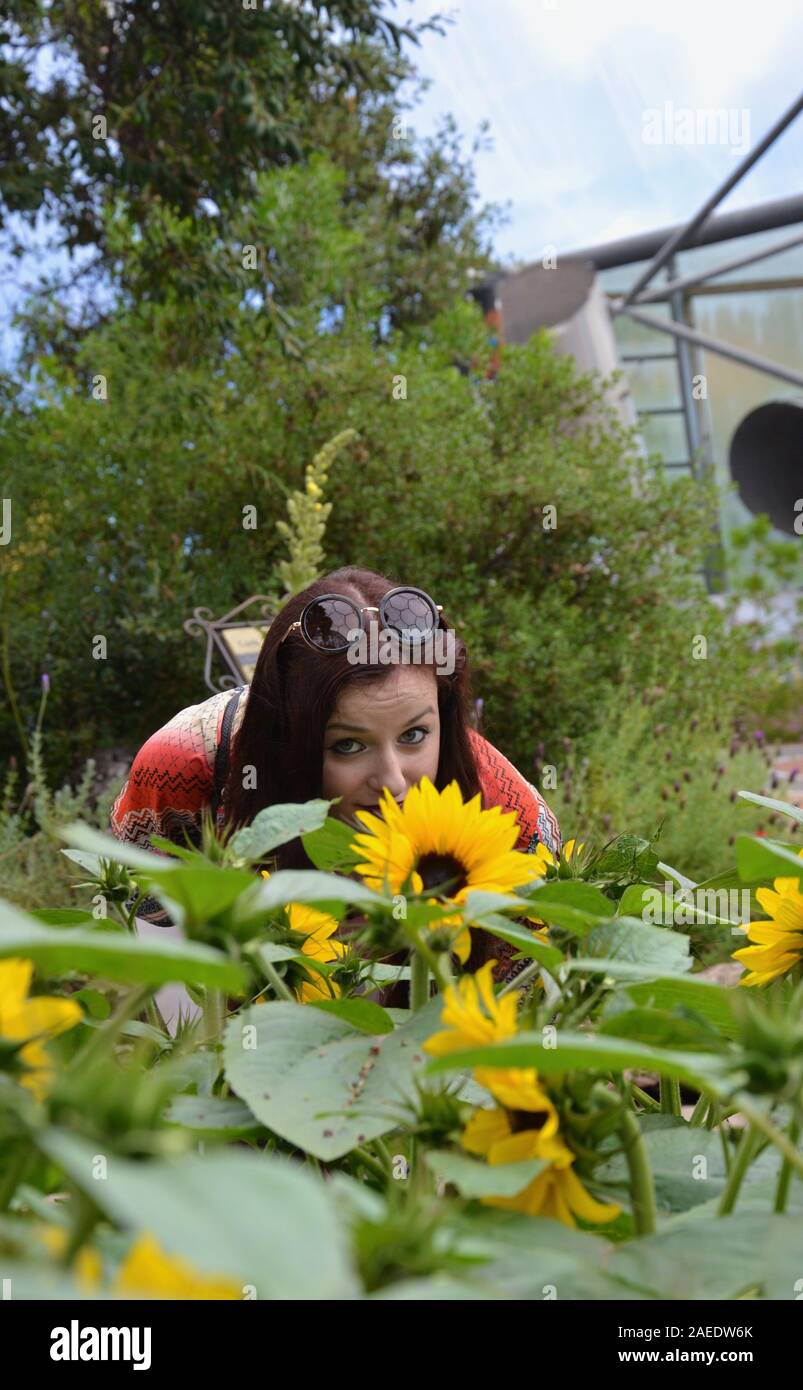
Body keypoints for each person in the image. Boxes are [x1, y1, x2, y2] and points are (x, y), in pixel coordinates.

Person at [110, 566, 561, 993]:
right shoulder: (186, 768)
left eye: (414, 735)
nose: (392, 781)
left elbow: (495, 1020)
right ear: (287, 736)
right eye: (348, 745)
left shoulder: (510, 826)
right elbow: (157, 963)